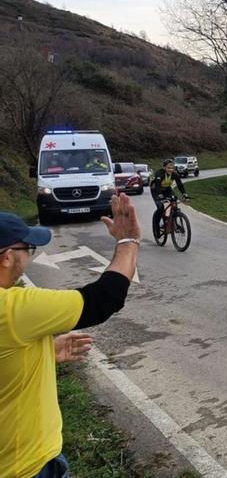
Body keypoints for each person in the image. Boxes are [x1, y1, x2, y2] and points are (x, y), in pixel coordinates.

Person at [0, 196, 140, 477]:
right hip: (26, 466)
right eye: (28, 248)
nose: (29, 255)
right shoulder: (12, 309)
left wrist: (42, 353)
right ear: (6, 257)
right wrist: (128, 242)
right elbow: (103, 299)